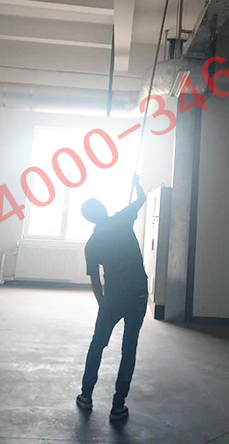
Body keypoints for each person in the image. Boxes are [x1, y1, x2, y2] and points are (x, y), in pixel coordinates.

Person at [77, 174, 148, 421]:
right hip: (138, 294)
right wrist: (136, 183)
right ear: (104, 209)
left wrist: (103, 304)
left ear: (89, 219)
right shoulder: (123, 218)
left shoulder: (92, 243)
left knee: (98, 343)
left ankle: (86, 395)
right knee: (129, 347)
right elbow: (142, 198)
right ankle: (118, 406)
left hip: (114, 297)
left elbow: (95, 280)